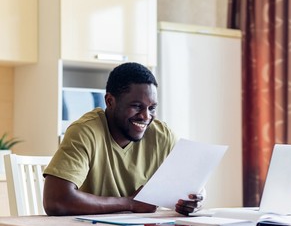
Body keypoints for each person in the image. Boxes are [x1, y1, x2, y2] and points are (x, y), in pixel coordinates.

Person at [43, 62, 204, 216]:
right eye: (136, 106)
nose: (146, 116)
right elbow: (55, 201)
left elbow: (193, 185)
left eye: (152, 108)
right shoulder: (85, 132)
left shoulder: (162, 136)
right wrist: (130, 203)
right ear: (110, 101)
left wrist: (194, 200)